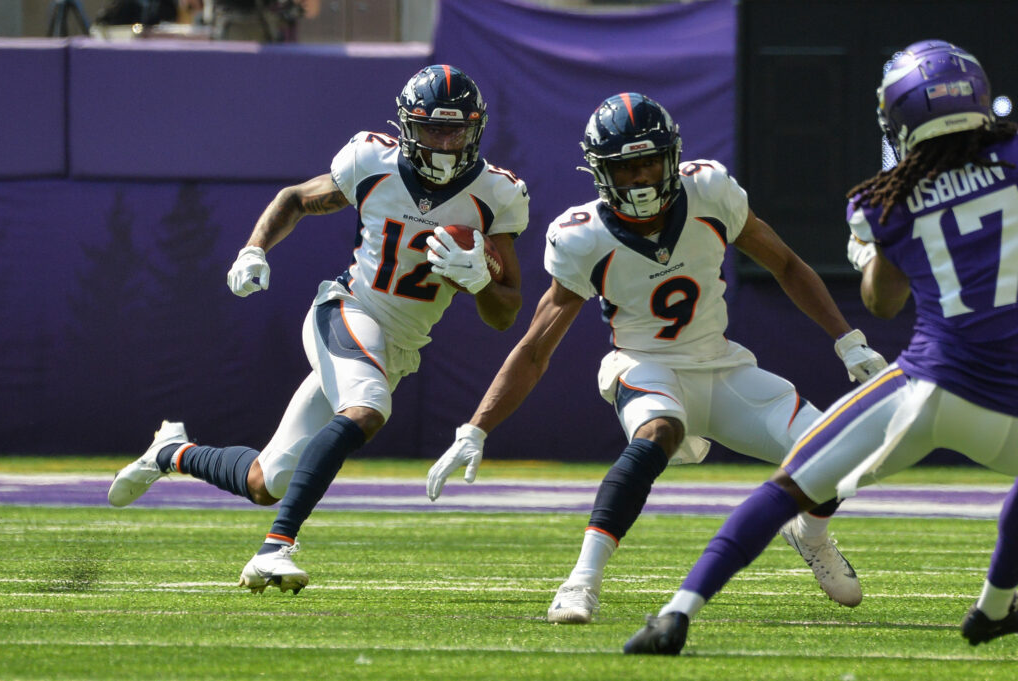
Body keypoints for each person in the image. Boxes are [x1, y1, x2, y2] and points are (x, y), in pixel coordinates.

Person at [426, 92, 887, 624]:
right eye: (625, 168)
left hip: (723, 366)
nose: (641, 179)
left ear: (672, 157)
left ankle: (809, 533)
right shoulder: (584, 236)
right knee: (659, 432)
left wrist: (847, 339)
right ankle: (581, 582)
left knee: (838, 453)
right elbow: (535, 347)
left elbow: (785, 263)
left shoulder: (711, 191)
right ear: (601, 172)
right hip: (644, 366)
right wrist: (476, 428)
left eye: (649, 162)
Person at [623, 39, 1018, 656]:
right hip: (1008, 404)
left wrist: (872, 255)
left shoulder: (888, 199)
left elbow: (883, 303)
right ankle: (994, 604)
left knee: (789, 486)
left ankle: (677, 612)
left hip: (924, 386)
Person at [107, 64, 529, 593]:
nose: (444, 144)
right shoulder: (373, 163)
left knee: (267, 480)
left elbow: (505, 313)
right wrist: (254, 248)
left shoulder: (496, 195)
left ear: (475, 130)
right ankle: (274, 548)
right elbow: (294, 199)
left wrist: (479, 282)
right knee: (368, 409)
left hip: (397, 347)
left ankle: (170, 451)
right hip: (348, 309)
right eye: (431, 129)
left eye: (455, 130)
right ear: (405, 127)